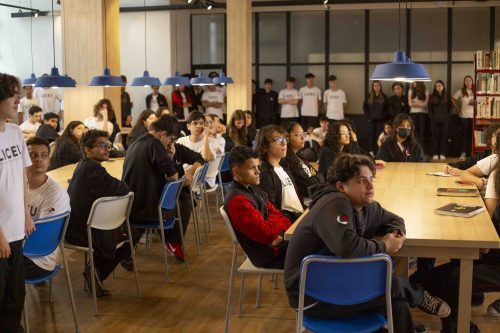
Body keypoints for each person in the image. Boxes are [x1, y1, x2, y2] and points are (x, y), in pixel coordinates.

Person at [284, 154, 451, 333]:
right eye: (361, 181)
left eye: (372, 179)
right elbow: (347, 247)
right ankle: (418, 298)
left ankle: (407, 316)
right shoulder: (334, 202)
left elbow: (396, 219)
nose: (370, 185)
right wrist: (385, 246)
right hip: (311, 295)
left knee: (397, 301)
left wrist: (395, 234)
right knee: (389, 285)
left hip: (339, 281)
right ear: (341, 186)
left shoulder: (365, 205)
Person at [123, 115, 203, 262]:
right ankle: (172, 241)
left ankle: (127, 252)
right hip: (146, 207)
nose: (170, 144)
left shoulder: (137, 142)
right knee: (184, 197)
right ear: (163, 134)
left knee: (184, 197)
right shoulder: (155, 144)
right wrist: (171, 158)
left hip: (132, 202)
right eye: (171, 140)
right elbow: (174, 176)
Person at [65, 130, 130, 297]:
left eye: (107, 145)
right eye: (102, 146)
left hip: (81, 225)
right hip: (81, 232)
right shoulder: (93, 170)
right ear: (87, 150)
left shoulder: (85, 165)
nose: (107, 149)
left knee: (126, 232)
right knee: (131, 233)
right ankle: (95, 271)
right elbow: (123, 189)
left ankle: (96, 271)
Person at [0, 73, 35, 332]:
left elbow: (22, 179)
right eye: (14, 96)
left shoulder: (15, 133)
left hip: (16, 232)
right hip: (0, 235)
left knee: (15, 297)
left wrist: (26, 215)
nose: (18, 102)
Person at [224, 146, 291, 268]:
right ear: (236, 172)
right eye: (252, 168)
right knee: (314, 249)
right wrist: (275, 231)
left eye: (257, 166)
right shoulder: (237, 201)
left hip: (277, 245)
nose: (258, 172)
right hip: (269, 255)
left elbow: (279, 215)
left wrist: (278, 235)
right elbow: (265, 234)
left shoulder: (254, 189)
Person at [25, 137, 70, 279]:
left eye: (44, 155)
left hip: (37, 260)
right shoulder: (15, 185)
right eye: (33, 155)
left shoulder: (55, 193)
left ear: (49, 161)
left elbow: (41, 240)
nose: (39, 159)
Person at [256, 125, 304, 222]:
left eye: (285, 139)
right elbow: (272, 211)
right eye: (277, 140)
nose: (284, 143)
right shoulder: (265, 174)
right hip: (290, 223)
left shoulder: (283, 168)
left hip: (300, 217)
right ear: (265, 147)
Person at [178, 111, 224, 188]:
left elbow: (206, 158)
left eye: (201, 123)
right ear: (188, 126)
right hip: (183, 175)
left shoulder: (211, 141)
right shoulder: (181, 141)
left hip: (201, 179)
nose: (199, 126)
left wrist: (206, 136)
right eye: (195, 123)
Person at [282, 122, 322, 202]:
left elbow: (320, 175)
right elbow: (308, 187)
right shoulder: (287, 161)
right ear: (287, 138)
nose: (303, 137)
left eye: (303, 134)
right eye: (298, 134)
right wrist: (315, 177)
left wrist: (314, 177)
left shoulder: (300, 157)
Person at [363, 80, 388, 154]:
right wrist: (368, 117)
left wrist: (383, 117)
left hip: (380, 121)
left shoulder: (384, 96)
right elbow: (365, 107)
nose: (376, 87)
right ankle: (371, 151)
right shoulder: (369, 96)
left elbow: (386, 109)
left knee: (379, 136)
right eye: (375, 85)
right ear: (372, 87)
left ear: (380, 86)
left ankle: (378, 151)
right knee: (371, 136)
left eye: (378, 85)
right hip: (371, 120)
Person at [452, 75, 474, 159]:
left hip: (473, 117)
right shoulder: (461, 91)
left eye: (469, 80)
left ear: (472, 81)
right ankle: (463, 153)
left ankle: (471, 153)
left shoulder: (475, 90)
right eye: (466, 81)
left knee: (472, 136)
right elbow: (453, 98)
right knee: (463, 136)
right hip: (463, 116)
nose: (468, 82)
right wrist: (457, 108)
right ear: (464, 82)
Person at [429, 80, 450, 160]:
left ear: (443, 86)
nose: (438, 87)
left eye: (440, 85)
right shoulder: (432, 96)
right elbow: (429, 109)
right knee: (434, 137)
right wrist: (432, 118)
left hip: (444, 121)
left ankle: (442, 153)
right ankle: (434, 153)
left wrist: (447, 117)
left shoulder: (447, 96)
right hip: (434, 121)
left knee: (443, 137)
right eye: (436, 86)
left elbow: (450, 109)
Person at [408, 81, 429, 147]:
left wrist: (415, 103)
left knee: (422, 132)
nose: (413, 83)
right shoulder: (411, 90)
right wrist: (421, 103)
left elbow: (426, 104)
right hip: (413, 113)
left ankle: (422, 149)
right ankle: (415, 148)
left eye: (415, 81)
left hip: (423, 113)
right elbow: (410, 104)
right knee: (414, 131)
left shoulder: (426, 89)